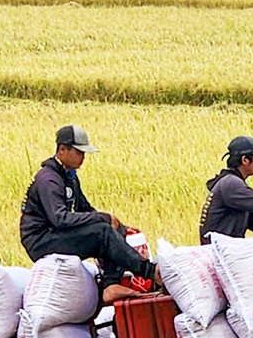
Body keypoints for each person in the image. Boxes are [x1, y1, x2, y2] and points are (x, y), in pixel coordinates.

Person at [20, 125, 159, 302]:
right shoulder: (49, 180)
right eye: (79, 152)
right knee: (102, 233)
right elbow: (60, 219)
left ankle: (111, 284)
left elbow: (84, 209)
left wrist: (117, 225)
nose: (83, 158)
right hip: (41, 240)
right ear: (62, 150)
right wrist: (101, 218)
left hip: (54, 234)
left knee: (109, 229)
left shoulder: (69, 176)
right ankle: (150, 272)